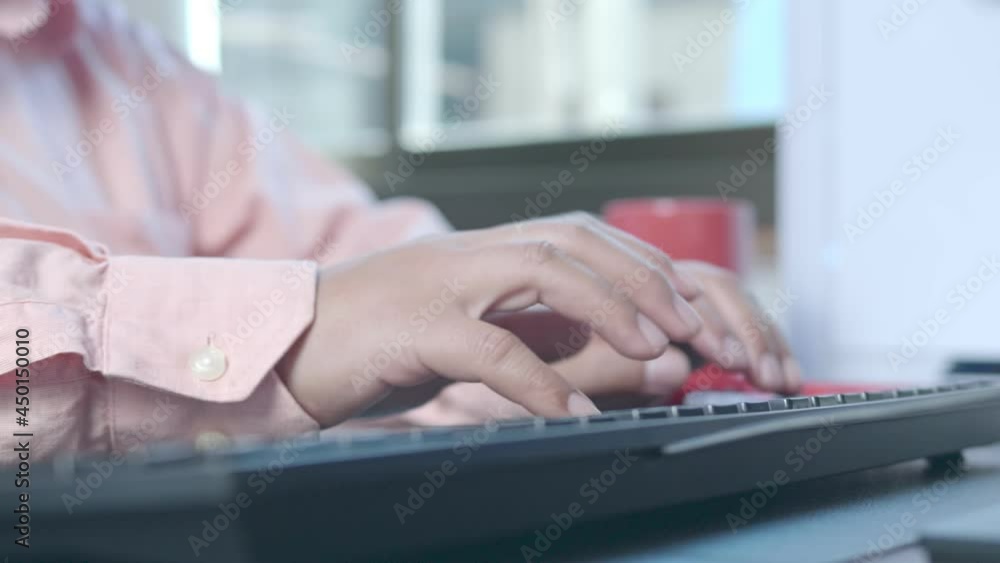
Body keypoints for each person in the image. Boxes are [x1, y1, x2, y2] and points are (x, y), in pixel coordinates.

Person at [0, 0, 800, 464]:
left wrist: (559, 318)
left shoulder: (117, 56)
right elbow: (328, 321)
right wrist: (296, 332)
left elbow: (378, 291)